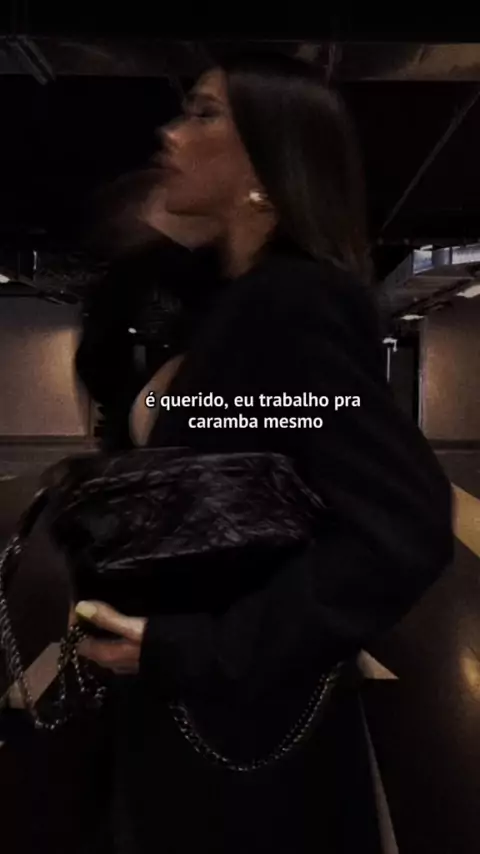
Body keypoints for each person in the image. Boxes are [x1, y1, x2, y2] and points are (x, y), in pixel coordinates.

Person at [73, 53, 454, 852]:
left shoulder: (293, 300)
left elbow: (402, 527)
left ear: (268, 163)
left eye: (204, 113)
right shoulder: (238, 303)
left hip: (242, 751)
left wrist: (195, 651)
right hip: (216, 730)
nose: (170, 133)